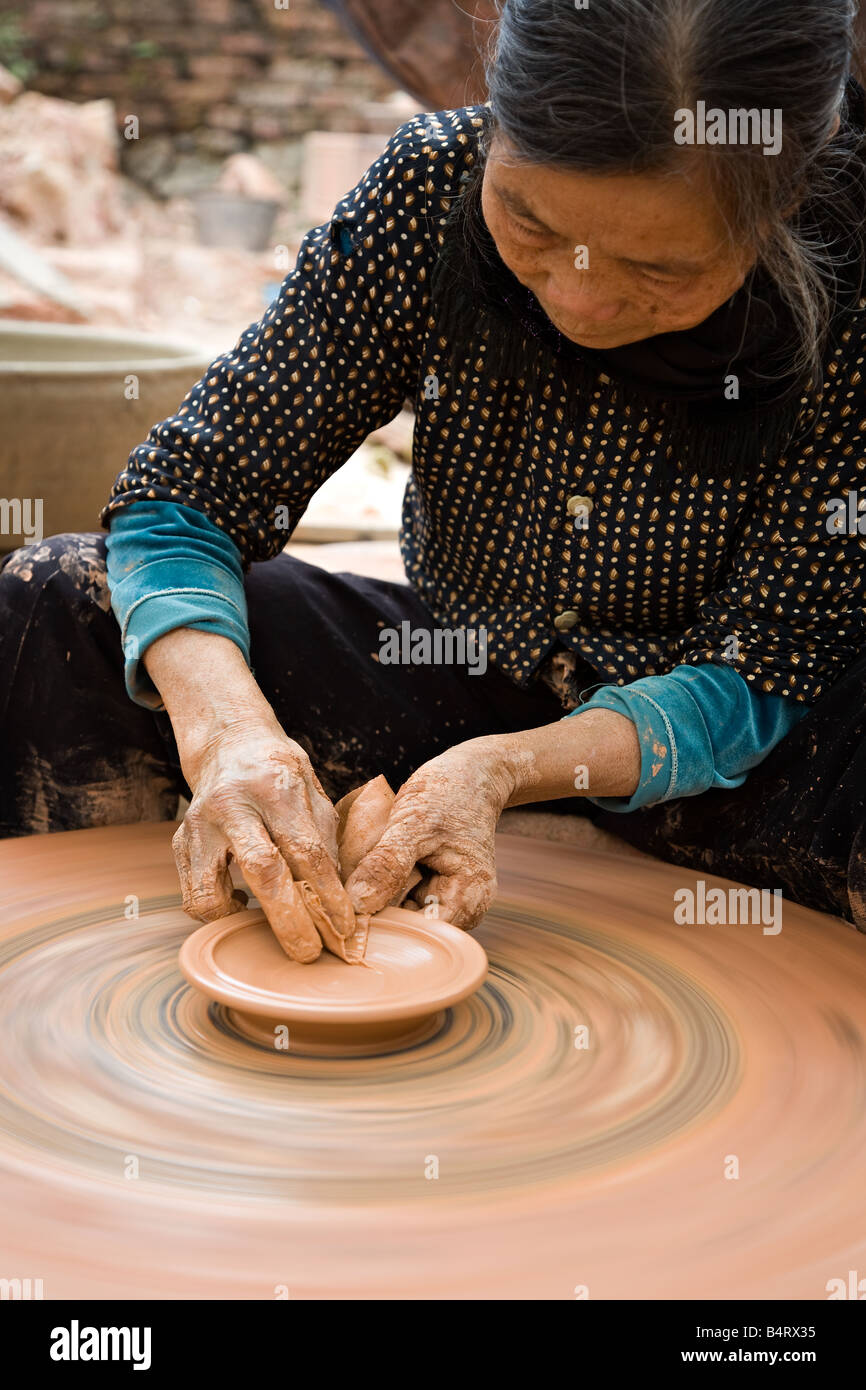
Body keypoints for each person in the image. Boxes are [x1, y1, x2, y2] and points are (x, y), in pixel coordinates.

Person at [2, 0, 865, 956]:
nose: (577, 296)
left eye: (657, 270)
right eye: (530, 224)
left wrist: (504, 773)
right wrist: (228, 738)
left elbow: (768, 665)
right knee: (60, 600)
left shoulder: (850, 295)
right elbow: (188, 494)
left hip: (735, 752)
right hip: (461, 669)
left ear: (783, 198)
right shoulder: (429, 187)